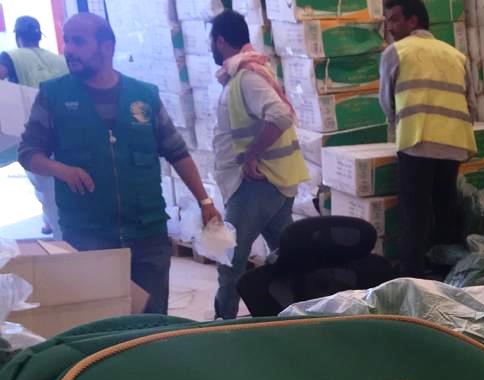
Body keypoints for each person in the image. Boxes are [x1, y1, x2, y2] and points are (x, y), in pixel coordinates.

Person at [19, 13, 220, 314]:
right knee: (101, 322)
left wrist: (205, 201)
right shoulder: (53, 96)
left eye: (78, 41)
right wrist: (62, 170)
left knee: (151, 322)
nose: (69, 49)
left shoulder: (144, 97)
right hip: (88, 236)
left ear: (107, 47)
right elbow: (28, 152)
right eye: (67, 41)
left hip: (147, 234)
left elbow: (177, 152)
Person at [209, 9, 309, 320]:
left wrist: (251, 154)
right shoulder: (246, 73)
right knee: (289, 259)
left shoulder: (247, 77)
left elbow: (280, 115)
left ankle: (223, 328)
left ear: (220, 41)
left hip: (255, 186)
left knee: (229, 259)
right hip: (271, 183)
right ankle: (304, 315)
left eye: (212, 42)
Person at [378, 0, 477, 279]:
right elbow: (471, 104)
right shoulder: (456, 55)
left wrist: (401, 122)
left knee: (414, 213)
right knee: (445, 209)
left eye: (394, 19)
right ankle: (448, 273)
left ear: (413, 21)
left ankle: (412, 278)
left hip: (417, 141)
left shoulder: (396, 52)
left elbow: (386, 102)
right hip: (454, 143)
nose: (390, 27)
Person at [2, 17, 69, 238]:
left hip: (35, 132)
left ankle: (61, 238)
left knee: (46, 185)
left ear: (18, 36)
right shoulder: (59, 59)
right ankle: (49, 222)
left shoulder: (11, 57)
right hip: (66, 127)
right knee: (59, 181)